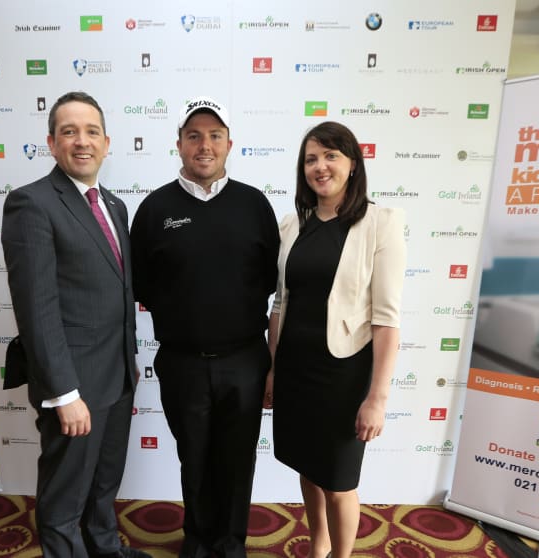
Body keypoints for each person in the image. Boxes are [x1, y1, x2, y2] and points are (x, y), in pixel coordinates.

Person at [130, 97, 279, 558]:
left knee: (238, 462)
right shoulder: (154, 209)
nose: (205, 145)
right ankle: (196, 538)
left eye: (215, 135)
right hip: (182, 363)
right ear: (178, 144)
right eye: (194, 135)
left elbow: (270, 279)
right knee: (192, 458)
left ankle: (232, 543)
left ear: (229, 144)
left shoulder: (254, 204)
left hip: (245, 361)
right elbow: (143, 287)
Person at [1, 91, 148, 558]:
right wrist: (64, 394)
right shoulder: (32, 204)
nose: (81, 142)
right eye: (69, 132)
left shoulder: (114, 206)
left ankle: (105, 548)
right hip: (75, 387)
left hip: (118, 377)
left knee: (104, 485)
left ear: (107, 142)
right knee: (65, 500)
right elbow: (37, 310)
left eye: (90, 132)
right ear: (51, 142)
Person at [264, 121, 405, 558]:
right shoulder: (293, 225)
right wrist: (271, 368)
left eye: (330, 156)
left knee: (340, 482)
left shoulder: (380, 223)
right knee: (308, 468)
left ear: (353, 165)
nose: (319, 167)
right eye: (310, 159)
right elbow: (280, 305)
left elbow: (386, 320)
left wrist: (377, 399)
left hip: (343, 374)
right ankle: (318, 545)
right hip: (295, 368)